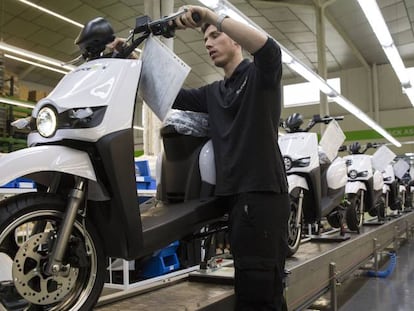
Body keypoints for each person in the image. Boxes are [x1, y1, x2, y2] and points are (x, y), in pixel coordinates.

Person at [173, 5, 290, 311]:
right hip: (237, 200)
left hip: (262, 196)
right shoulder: (214, 92)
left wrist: (211, 14)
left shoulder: (259, 76)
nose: (209, 43)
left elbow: (269, 49)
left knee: (261, 294)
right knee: (251, 291)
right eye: (205, 40)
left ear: (236, 40)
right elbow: (173, 94)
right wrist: (131, 58)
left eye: (215, 36)